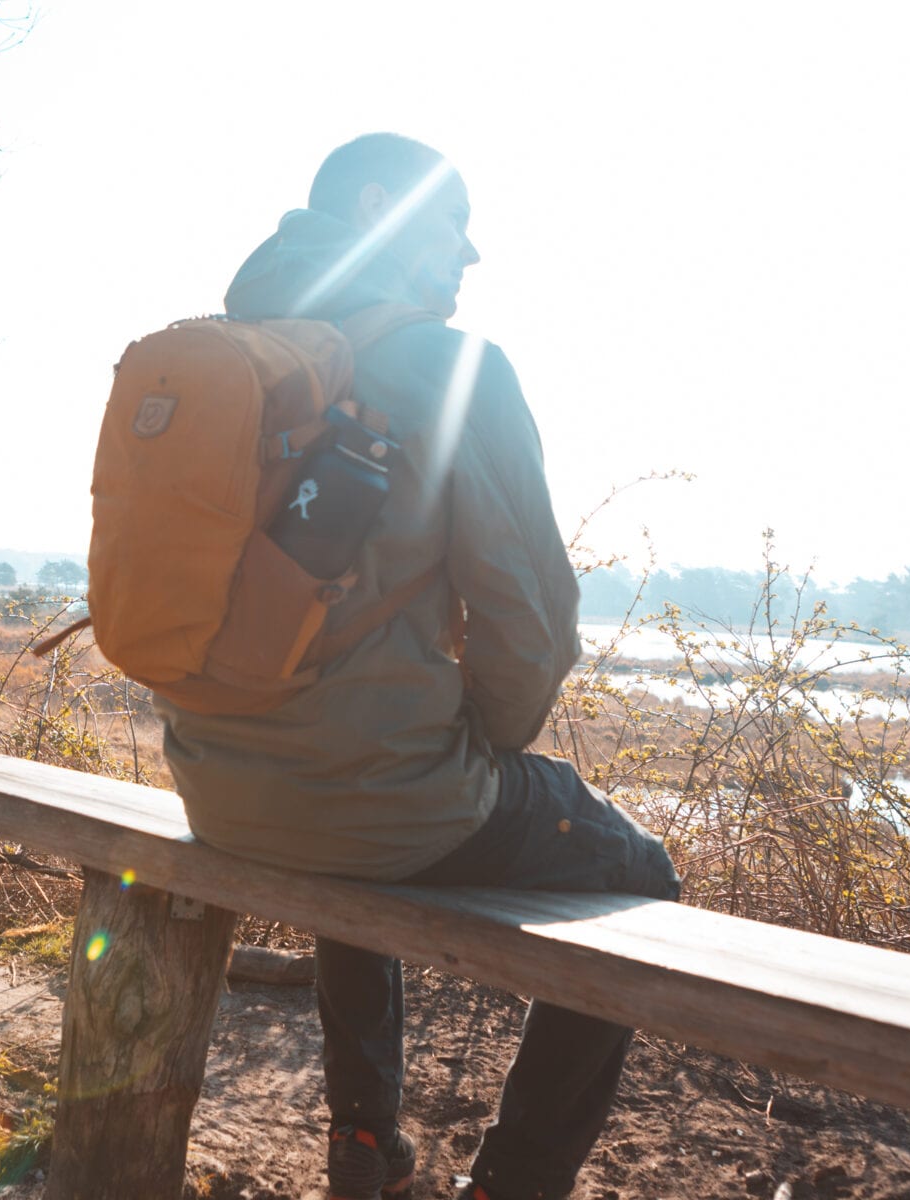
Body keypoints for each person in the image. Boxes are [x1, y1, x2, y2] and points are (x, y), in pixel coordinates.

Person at [155, 133, 682, 1200]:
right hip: (366, 799)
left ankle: (363, 1141)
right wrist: (483, 738)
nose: (471, 253)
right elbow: (531, 615)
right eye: (454, 222)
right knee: (639, 873)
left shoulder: (232, 352)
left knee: (364, 797)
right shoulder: (450, 368)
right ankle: (514, 1185)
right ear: (382, 206)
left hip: (214, 782)